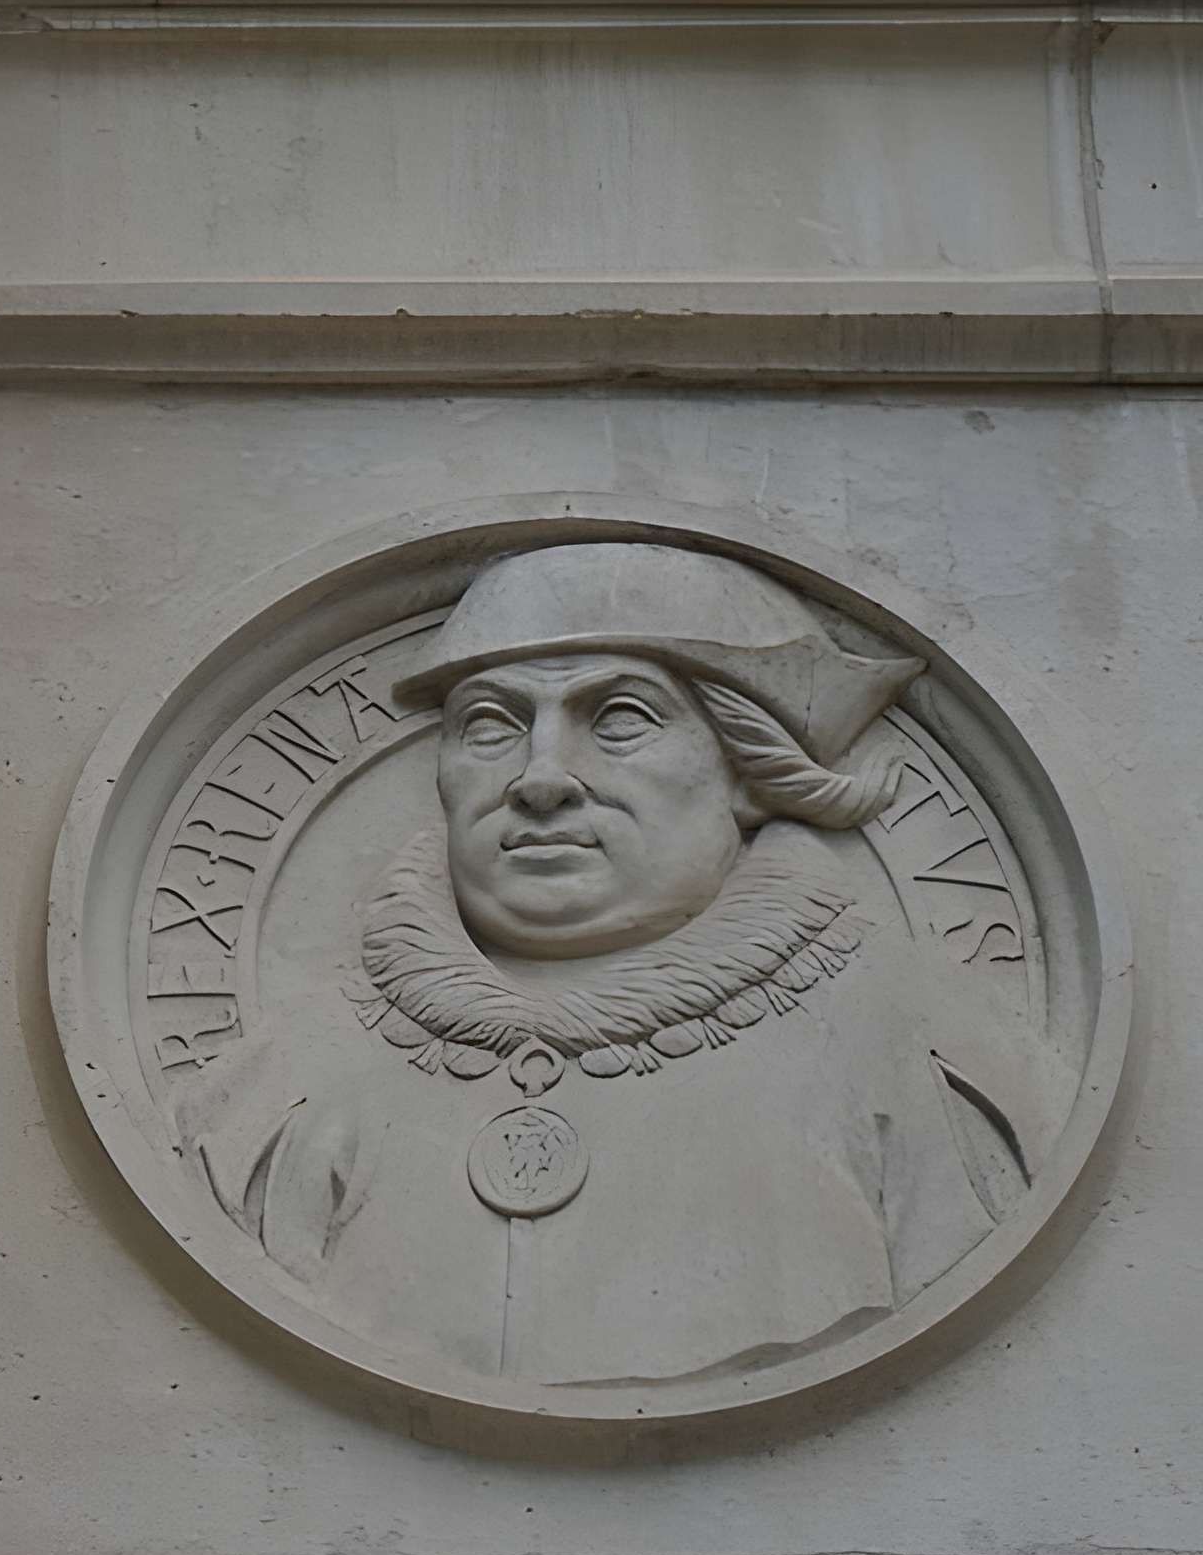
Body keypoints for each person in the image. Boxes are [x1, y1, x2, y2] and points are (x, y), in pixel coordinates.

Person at [186, 544, 1056, 1386]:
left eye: (621, 720)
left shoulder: (915, 1050)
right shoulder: (291, 1073)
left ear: (751, 770)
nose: (541, 778)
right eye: (490, 725)